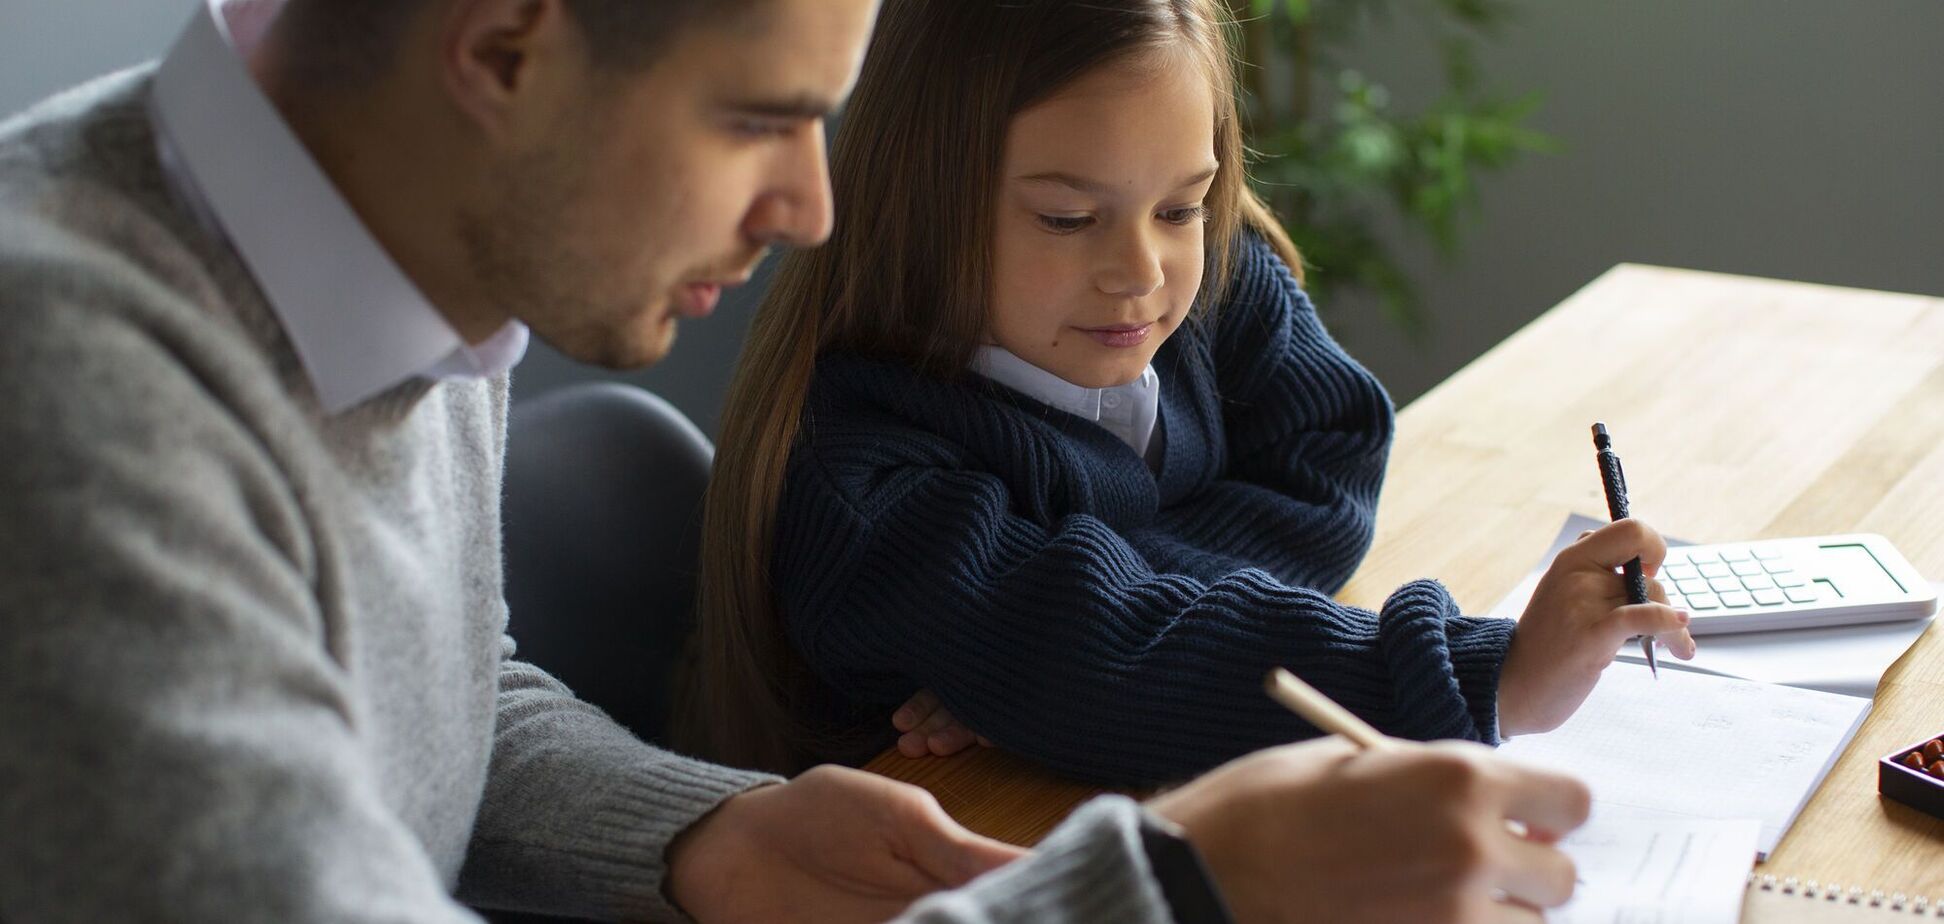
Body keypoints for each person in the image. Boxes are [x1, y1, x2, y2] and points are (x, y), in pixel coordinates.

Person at [0, 0, 1591, 921]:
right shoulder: (68, 405)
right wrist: (1172, 889)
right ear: (503, 49)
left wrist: (702, 833)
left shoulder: (405, 262)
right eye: (761, 119)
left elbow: (445, 705)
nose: (814, 213)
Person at [682, 0, 1698, 786]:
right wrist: (1491, 675)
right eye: (1069, 218)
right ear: (920, 205)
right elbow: (1120, 661)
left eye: (1181, 204)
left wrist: (1056, 635)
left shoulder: (1211, 277)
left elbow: (1327, 467)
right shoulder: (862, 475)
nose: (1143, 271)